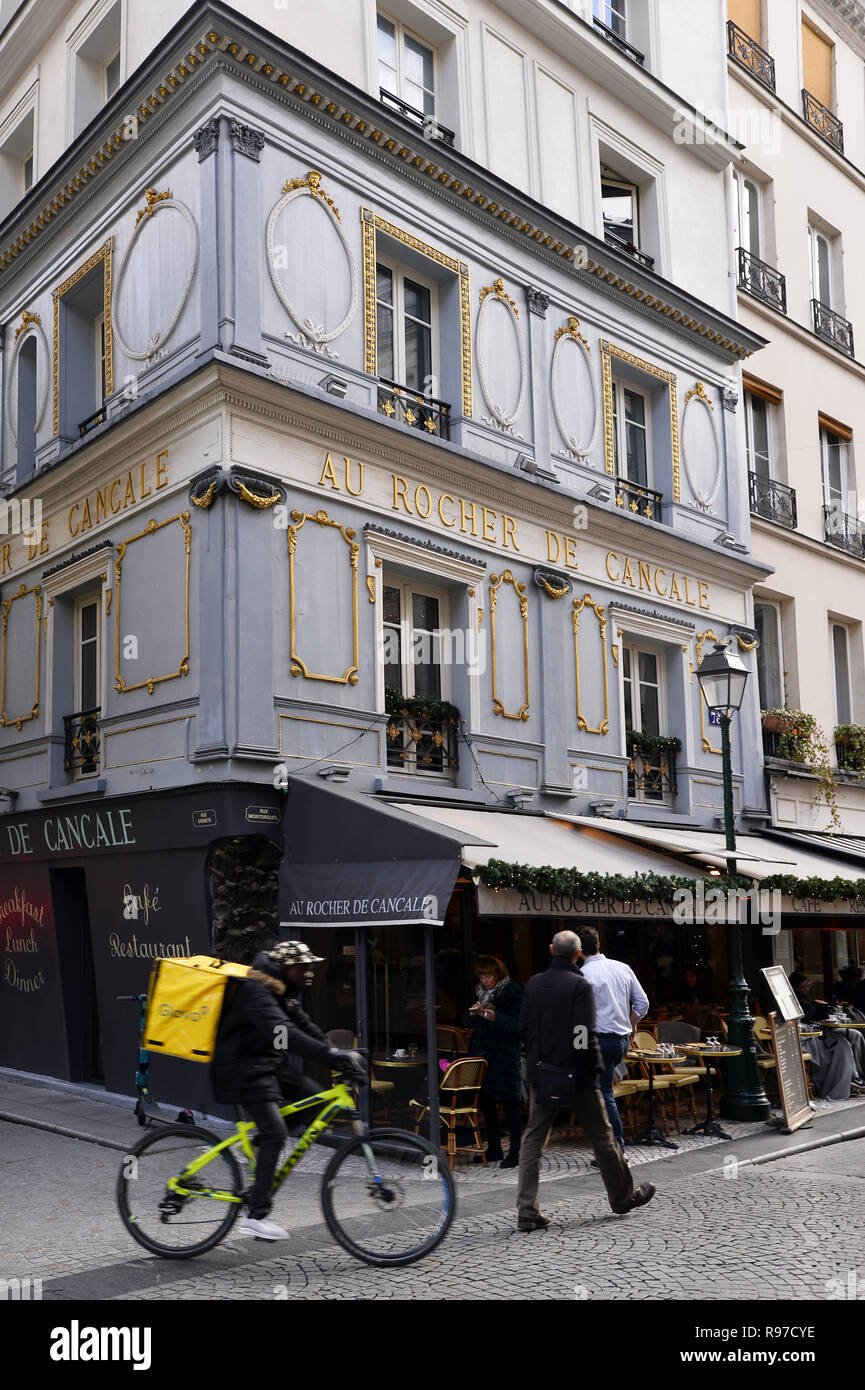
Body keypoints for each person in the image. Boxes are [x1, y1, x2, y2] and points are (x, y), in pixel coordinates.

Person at [211, 940, 365, 1240]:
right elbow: (285, 1034)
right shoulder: (258, 992)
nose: (310, 972)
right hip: (241, 1071)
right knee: (276, 1134)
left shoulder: (284, 991)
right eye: (303, 967)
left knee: (318, 1102)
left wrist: (336, 1054)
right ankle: (255, 1215)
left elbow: (306, 1028)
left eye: (312, 967)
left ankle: (259, 1141)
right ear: (286, 968)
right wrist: (332, 1056)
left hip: (268, 1067)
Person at [516, 930, 655, 1231]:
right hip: (577, 1074)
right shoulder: (579, 984)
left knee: (533, 1141)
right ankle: (622, 1197)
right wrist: (591, 1068)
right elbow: (583, 1032)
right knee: (603, 1137)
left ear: (551, 949)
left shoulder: (535, 982)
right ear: (578, 954)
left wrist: (537, 1060)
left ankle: (526, 1210)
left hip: (543, 1072)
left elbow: (524, 1028)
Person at [576, 927, 649, 1154]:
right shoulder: (622, 967)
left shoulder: (584, 975)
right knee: (601, 1092)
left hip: (599, 1041)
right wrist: (632, 1023)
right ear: (598, 944)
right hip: (621, 1041)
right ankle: (608, 1146)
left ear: (579, 951)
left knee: (603, 1094)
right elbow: (643, 1003)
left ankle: (615, 1149)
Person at [467, 956, 524, 1168]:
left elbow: (519, 1024)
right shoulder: (479, 992)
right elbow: (468, 1021)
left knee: (511, 1103)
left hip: (506, 1053)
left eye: (489, 975)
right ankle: (494, 1148)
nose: (485, 980)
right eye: (482, 976)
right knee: (487, 1103)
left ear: (497, 974)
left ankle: (516, 1151)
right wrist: (473, 1014)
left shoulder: (513, 991)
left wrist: (494, 1017)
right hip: (484, 1053)